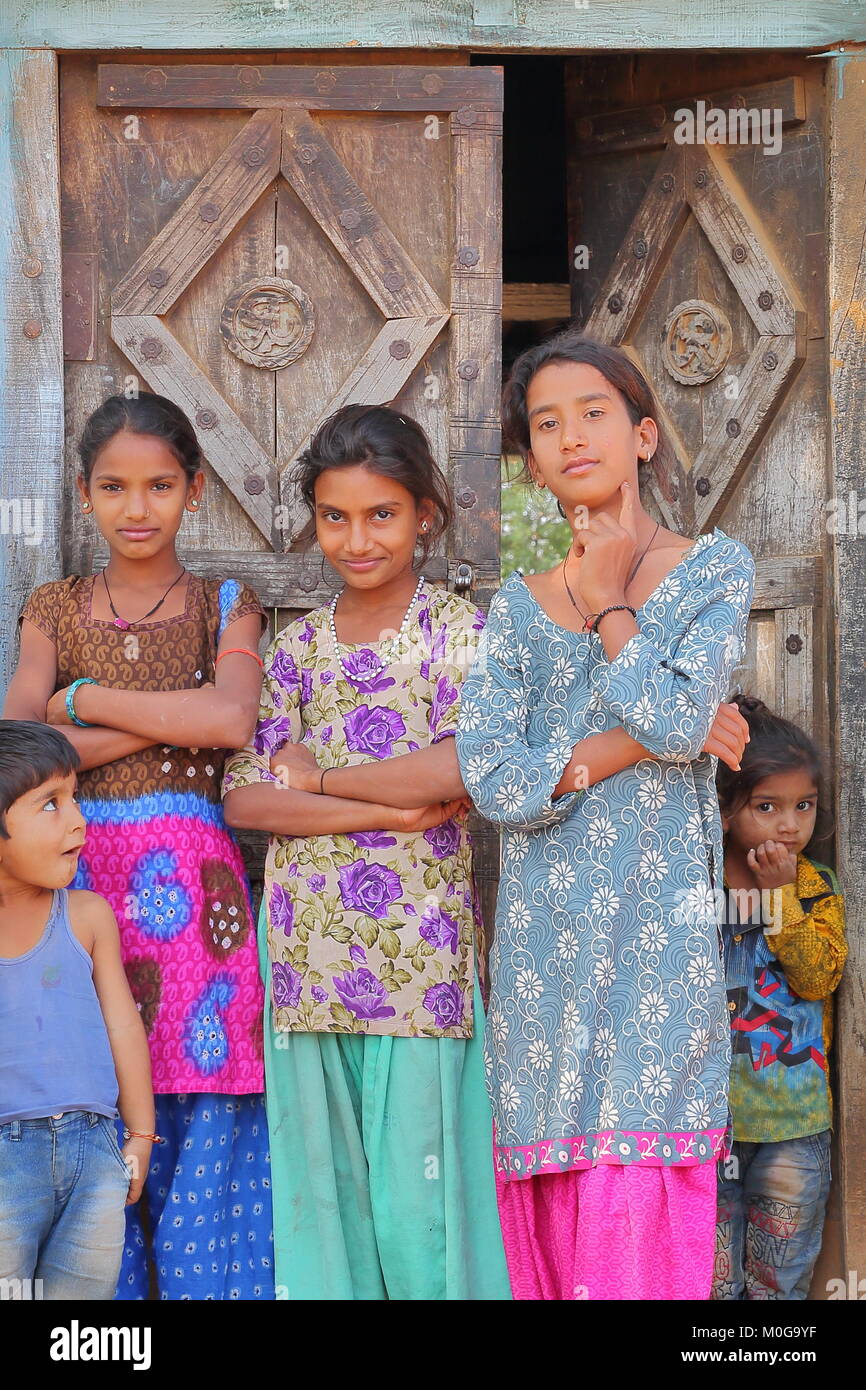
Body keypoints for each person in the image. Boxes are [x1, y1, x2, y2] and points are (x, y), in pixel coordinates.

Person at [454, 328, 756, 1300]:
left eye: (591, 413)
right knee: (550, 1192)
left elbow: (674, 719)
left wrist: (603, 603)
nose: (569, 436)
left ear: (642, 435)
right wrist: (642, 740)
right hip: (545, 955)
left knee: (638, 1187)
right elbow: (496, 784)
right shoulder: (512, 607)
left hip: (658, 953)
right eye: (545, 423)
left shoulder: (711, 569)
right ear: (528, 457)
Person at [222, 403, 511, 1300]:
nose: (356, 538)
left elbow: (460, 773)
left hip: (420, 965)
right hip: (308, 961)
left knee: (423, 1212)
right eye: (335, 516)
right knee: (326, 1205)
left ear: (426, 513)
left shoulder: (462, 633)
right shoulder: (295, 648)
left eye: (381, 514)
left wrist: (316, 781)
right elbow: (244, 796)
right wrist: (374, 800)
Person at [3, 392, 273, 1301]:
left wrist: (82, 704)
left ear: (194, 489)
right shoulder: (53, 607)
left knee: (204, 1102)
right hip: (84, 890)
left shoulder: (224, 603)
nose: (138, 506)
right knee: (94, 1098)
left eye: (160, 485)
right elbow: (19, 750)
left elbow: (232, 717)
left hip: (202, 910)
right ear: (85, 493)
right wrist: (174, 723)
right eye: (115, 487)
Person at [0, 720, 154, 1299]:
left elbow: (122, 1024)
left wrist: (139, 1135)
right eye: (49, 804)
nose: (77, 820)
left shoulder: (87, 916)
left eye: (74, 797)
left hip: (96, 1153)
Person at [712, 694, 846, 1300]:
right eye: (766, 807)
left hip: (793, 1124)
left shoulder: (815, 888)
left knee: (777, 1277)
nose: (789, 824)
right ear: (723, 810)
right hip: (703, 1125)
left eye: (803, 806)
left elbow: (818, 978)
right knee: (712, 1278)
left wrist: (782, 897)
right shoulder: (694, 882)